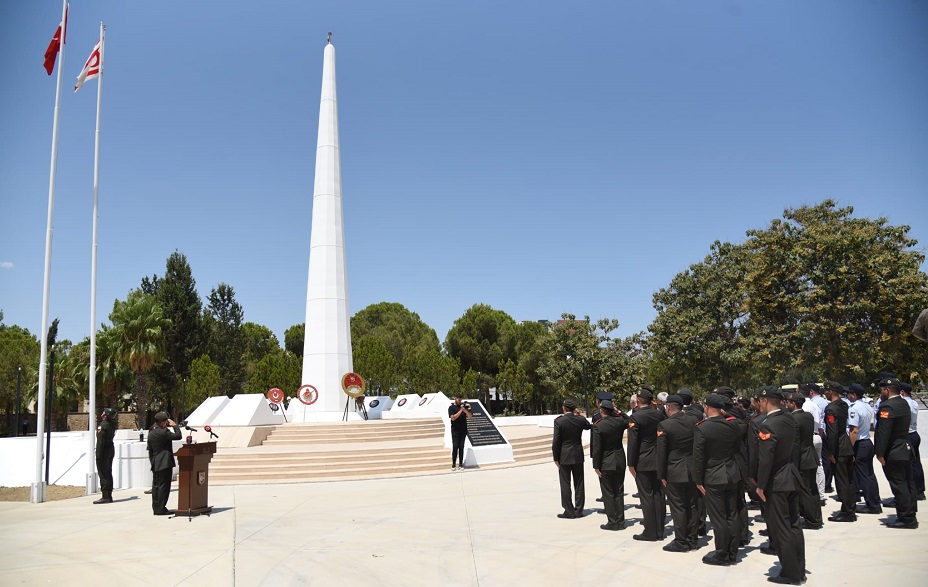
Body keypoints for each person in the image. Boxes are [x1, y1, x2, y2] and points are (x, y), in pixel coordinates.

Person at [755, 388, 806, 585]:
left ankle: (790, 573)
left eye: (760, 401)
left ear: (766, 401)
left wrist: (760, 485)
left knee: (781, 528)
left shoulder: (769, 425)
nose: (759, 405)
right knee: (794, 526)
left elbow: (766, 459)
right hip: (791, 475)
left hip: (777, 480)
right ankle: (798, 569)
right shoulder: (789, 419)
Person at [693, 393, 742, 566]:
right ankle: (732, 552)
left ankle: (722, 554)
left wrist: (698, 480)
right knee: (731, 515)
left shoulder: (702, 428)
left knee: (718, 517)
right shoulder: (733, 425)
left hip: (713, 476)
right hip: (731, 473)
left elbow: (698, 457)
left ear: (706, 408)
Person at [875, 378, 919, 529]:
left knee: (899, 485)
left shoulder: (887, 406)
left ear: (887, 390)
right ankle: (911, 512)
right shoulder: (904, 403)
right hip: (905, 447)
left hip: (894, 451)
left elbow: (883, 432)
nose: (880, 393)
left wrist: (879, 452)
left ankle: (906, 518)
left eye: (882, 390)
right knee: (908, 484)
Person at [657, 395, 698, 552]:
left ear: (668, 408)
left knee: (678, 506)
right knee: (693, 505)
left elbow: (662, 452)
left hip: (674, 470)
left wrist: (661, 475)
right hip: (692, 469)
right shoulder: (693, 421)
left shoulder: (664, 425)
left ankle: (681, 541)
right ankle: (692, 540)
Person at [627, 386, 666, 541]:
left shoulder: (635, 417)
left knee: (646, 496)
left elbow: (633, 443)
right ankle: (660, 529)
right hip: (658, 459)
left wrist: (631, 464)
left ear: (639, 401)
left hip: (643, 461)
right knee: (658, 495)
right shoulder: (659, 415)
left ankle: (650, 531)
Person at [785, 393, 822, 529]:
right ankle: (817, 517)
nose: (787, 405)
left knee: (804, 490)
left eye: (788, 402)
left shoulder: (793, 419)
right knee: (813, 489)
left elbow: (795, 444)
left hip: (802, 459)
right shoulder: (808, 416)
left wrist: (793, 464)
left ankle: (811, 520)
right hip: (811, 456)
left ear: (793, 404)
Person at [591, 399, 628, 531]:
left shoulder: (598, 425)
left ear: (601, 411)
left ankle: (612, 522)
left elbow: (597, 448)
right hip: (619, 460)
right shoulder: (619, 421)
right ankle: (621, 520)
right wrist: (620, 412)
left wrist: (596, 466)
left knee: (608, 493)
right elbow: (630, 422)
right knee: (619, 491)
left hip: (606, 462)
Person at [823, 381, 856, 522]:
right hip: (846, 445)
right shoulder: (843, 404)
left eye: (826, 391)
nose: (825, 393)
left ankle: (848, 512)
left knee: (842, 481)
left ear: (831, 392)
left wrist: (831, 452)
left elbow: (832, 432)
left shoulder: (831, 408)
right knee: (848, 480)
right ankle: (849, 508)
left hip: (839, 448)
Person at [552, 399, 590, 519]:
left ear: (564, 408)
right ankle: (579, 510)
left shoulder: (559, 421)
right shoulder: (580, 420)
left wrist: (555, 457)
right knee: (579, 483)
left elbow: (556, 441)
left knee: (565, 483)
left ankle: (569, 510)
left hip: (564, 455)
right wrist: (579, 415)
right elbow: (589, 426)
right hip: (578, 454)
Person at [846, 384, 881, 514]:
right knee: (870, 475)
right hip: (867, 442)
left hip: (859, 444)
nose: (848, 396)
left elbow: (853, 431)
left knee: (864, 477)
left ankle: (872, 505)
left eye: (849, 394)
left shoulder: (854, 408)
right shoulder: (867, 405)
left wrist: (850, 448)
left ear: (853, 394)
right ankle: (875, 502)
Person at [148, 411, 181, 516]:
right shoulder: (163, 432)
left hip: (155, 462)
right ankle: (161, 509)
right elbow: (178, 436)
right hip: (164, 462)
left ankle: (157, 508)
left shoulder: (152, 430)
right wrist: (175, 426)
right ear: (162, 422)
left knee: (156, 486)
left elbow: (150, 449)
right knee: (164, 486)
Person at [798, 383, 826, 504]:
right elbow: (819, 425)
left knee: (806, 468)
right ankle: (820, 494)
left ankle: (808, 493)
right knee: (819, 466)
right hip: (817, 436)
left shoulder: (804, 406)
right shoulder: (815, 405)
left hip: (808, 438)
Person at [899, 383, 926, 500]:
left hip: (908, 435)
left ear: (902, 392)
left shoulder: (905, 403)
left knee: (906, 465)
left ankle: (912, 491)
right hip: (914, 434)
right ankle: (920, 490)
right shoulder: (914, 403)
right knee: (916, 464)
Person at [93, 407, 117, 504]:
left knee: (103, 474)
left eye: (104, 413)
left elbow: (100, 442)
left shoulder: (103, 425)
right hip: (110, 449)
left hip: (103, 451)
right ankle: (108, 494)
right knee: (108, 472)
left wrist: (98, 455)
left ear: (105, 415)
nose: (102, 413)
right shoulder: (112, 424)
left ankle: (105, 496)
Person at [448, 395, 472, 471]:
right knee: (455, 447)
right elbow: (453, 418)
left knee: (461, 447)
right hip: (455, 430)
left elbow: (470, 416)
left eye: (460, 399)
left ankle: (461, 464)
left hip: (463, 430)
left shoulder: (463, 407)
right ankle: (454, 464)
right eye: (458, 399)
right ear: (455, 399)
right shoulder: (451, 408)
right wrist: (461, 411)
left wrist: (465, 411)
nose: (459, 400)